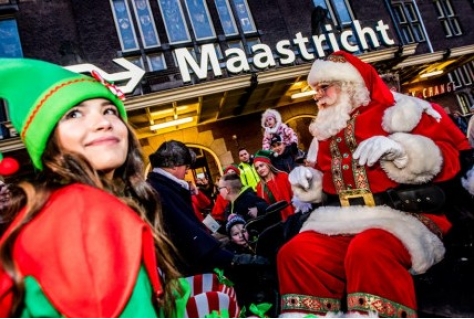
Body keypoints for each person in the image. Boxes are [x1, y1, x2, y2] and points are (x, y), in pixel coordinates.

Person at [277, 51, 471, 317]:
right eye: (315, 89)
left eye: (323, 87)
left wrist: (402, 151)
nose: (316, 95)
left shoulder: (401, 110)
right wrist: (312, 184)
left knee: (368, 249)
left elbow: (451, 158)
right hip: (345, 221)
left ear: (348, 85)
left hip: (407, 217)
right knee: (296, 252)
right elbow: (331, 187)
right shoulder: (327, 129)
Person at [0, 58, 184, 317]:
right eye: (74, 114)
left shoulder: (62, 208)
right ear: (49, 142)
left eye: (109, 110)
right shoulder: (85, 212)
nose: (104, 122)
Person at [146, 140, 269, 277]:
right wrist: (232, 259)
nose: (187, 171)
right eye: (186, 166)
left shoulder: (159, 188)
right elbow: (189, 237)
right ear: (174, 165)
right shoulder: (162, 191)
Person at [254, 150, 296, 222]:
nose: (260, 169)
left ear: (268, 164)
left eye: (261, 165)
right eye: (257, 168)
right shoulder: (259, 187)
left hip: (293, 216)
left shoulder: (283, 176)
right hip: (277, 223)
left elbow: (294, 196)